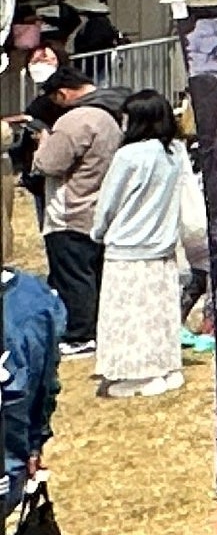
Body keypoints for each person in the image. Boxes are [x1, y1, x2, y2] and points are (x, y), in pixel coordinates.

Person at [92, 89, 194, 397]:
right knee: (160, 312)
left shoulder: (129, 155)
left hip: (127, 248)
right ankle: (167, 368)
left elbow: (109, 203)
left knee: (128, 316)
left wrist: (98, 232)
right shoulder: (175, 152)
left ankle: (139, 376)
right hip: (163, 246)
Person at [23, 67, 115, 353]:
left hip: (70, 210)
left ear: (61, 94)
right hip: (99, 207)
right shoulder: (109, 116)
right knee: (94, 274)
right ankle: (96, 329)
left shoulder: (74, 120)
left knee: (73, 277)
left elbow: (49, 164)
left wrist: (44, 143)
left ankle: (79, 334)